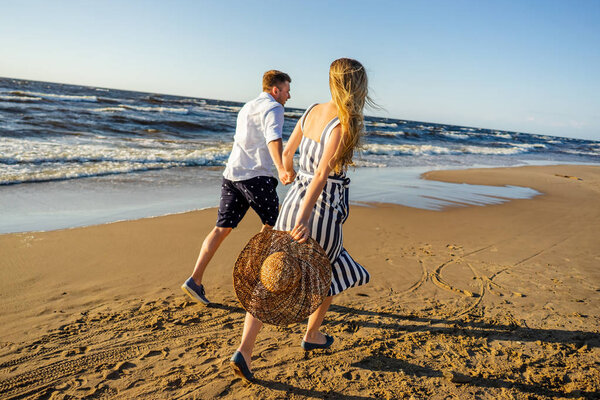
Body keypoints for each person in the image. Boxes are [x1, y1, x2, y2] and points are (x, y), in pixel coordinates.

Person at [230, 58, 371, 381]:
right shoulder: (344, 122)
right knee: (329, 273)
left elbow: (288, 152)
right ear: (356, 86)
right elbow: (322, 173)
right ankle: (311, 334)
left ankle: (245, 350)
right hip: (319, 209)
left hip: (291, 202)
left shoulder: (311, 111)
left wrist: (284, 171)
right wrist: (306, 218)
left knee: (273, 273)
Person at [181, 70, 294, 304]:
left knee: (221, 228)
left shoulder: (247, 107)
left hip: (232, 175)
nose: (288, 96)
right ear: (275, 90)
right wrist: (282, 168)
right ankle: (255, 278)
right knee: (276, 223)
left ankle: (195, 279)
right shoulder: (274, 108)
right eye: (286, 90)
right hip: (255, 177)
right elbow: (274, 138)